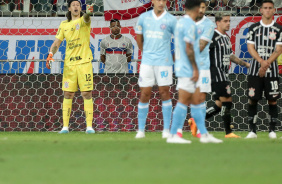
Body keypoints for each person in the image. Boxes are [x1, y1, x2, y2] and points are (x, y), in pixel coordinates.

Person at [167, 0, 221, 144]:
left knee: (198, 101)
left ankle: (203, 134)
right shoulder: (189, 24)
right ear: (197, 8)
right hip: (188, 68)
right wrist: (195, 68)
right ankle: (173, 134)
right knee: (184, 101)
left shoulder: (181, 23)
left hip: (186, 66)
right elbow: (189, 48)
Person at [46, 0, 95, 134]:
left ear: (80, 8)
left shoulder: (84, 21)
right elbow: (57, 42)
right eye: (73, 5)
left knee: (86, 93)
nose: (75, 6)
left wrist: (89, 12)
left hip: (84, 63)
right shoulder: (64, 25)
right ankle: (65, 127)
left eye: (78, 5)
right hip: (69, 64)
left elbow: (86, 17)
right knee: (68, 94)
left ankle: (89, 127)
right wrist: (51, 54)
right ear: (69, 9)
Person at [199, 12, 250, 138]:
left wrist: (244, 64)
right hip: (216, 73)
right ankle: (228, 133)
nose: (228, 23)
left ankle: (196, 121)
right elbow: (199, 49)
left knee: (219, 104)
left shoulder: (226, 38)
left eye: (229, 21)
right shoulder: (212, 35)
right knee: (228, 101)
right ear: (218, 22)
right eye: (225, 21)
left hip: (223, 73)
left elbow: (230, 55)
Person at [134, 0, 177, 139]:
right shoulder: (144, 17)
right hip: (147, 62)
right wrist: (145, 52)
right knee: (145, 93)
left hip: (164, 62)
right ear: (152, 1)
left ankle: (166, 130)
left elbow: (179, 40)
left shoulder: (171, 19)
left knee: (165, 93)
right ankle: (141, 130)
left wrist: (174, 57)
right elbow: (138, 37)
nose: (161, 2)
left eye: (163, 0)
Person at [246, 0, 282, 139]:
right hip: (255, 70)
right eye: (265, 8)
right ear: (260, 10)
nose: (267, 10)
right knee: (252, 99)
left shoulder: (279, 29)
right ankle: (252, 131)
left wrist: (266, 64)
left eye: (270, 8)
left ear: (274, 10)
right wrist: (261, 62)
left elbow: (278, 50)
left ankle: (272, 131)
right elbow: (250, 48)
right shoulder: (253, 28)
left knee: (272, 100)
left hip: (272, 71)